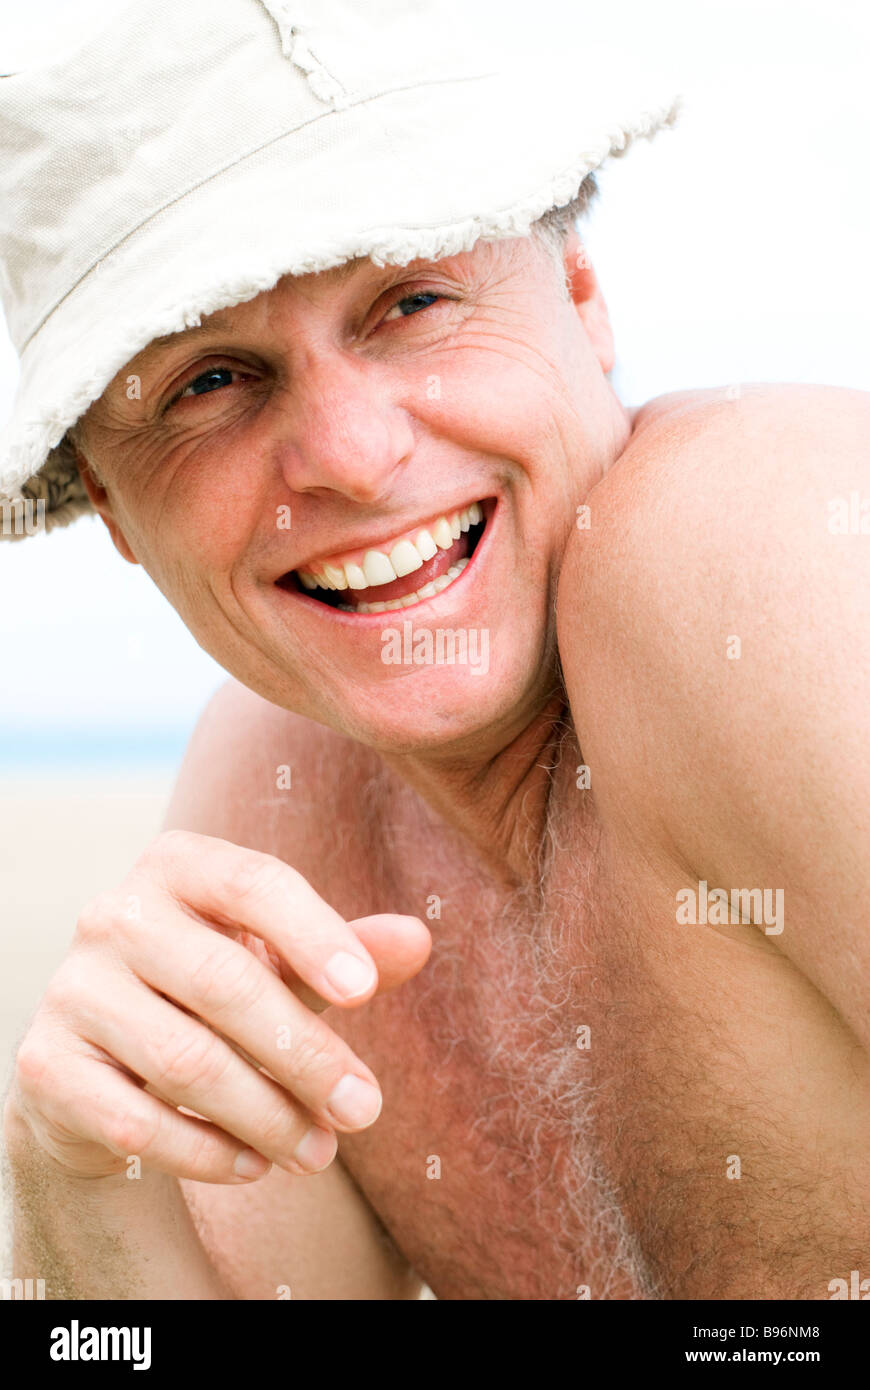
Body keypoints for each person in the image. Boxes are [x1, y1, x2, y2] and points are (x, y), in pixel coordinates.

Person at [2, 0, 868, 1301]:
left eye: (411, 301)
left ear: (584, 302)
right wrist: (74, 1172)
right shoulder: (272, 808)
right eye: (208, 381)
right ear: (115, 512)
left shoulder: (757, 548)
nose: (351, 456)